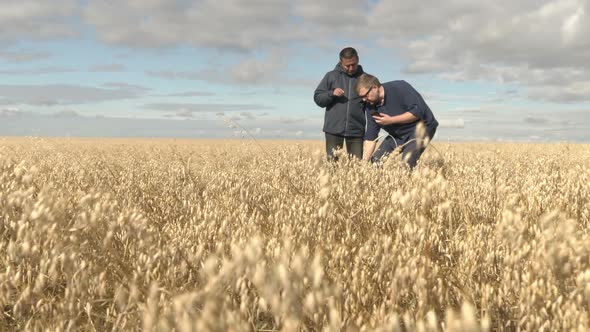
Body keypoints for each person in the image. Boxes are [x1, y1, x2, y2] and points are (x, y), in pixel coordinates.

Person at [355, 73, 438, 169]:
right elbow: (371, 137)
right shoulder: (370, 106)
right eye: (362, 97)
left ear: (374, 87)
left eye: (365, 95)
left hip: (422, 128)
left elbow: (418, 112)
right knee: (375, 161)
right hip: (398, 135)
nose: (364, 100)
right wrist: (364, 162)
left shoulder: (400, 87)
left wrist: (391, 120)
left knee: (407, 162)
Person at [314, 47, 366, 161]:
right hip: (333, 129)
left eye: (354, 64)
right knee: (332, 166)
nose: (351, 68)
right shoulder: (331, 76)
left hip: (356, 130)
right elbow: (318, 98)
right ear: (341, 62)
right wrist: (331, 93)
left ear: (358, 59)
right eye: (347, 65)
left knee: (356, 168)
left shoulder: (365, 79)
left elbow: (374, 102)